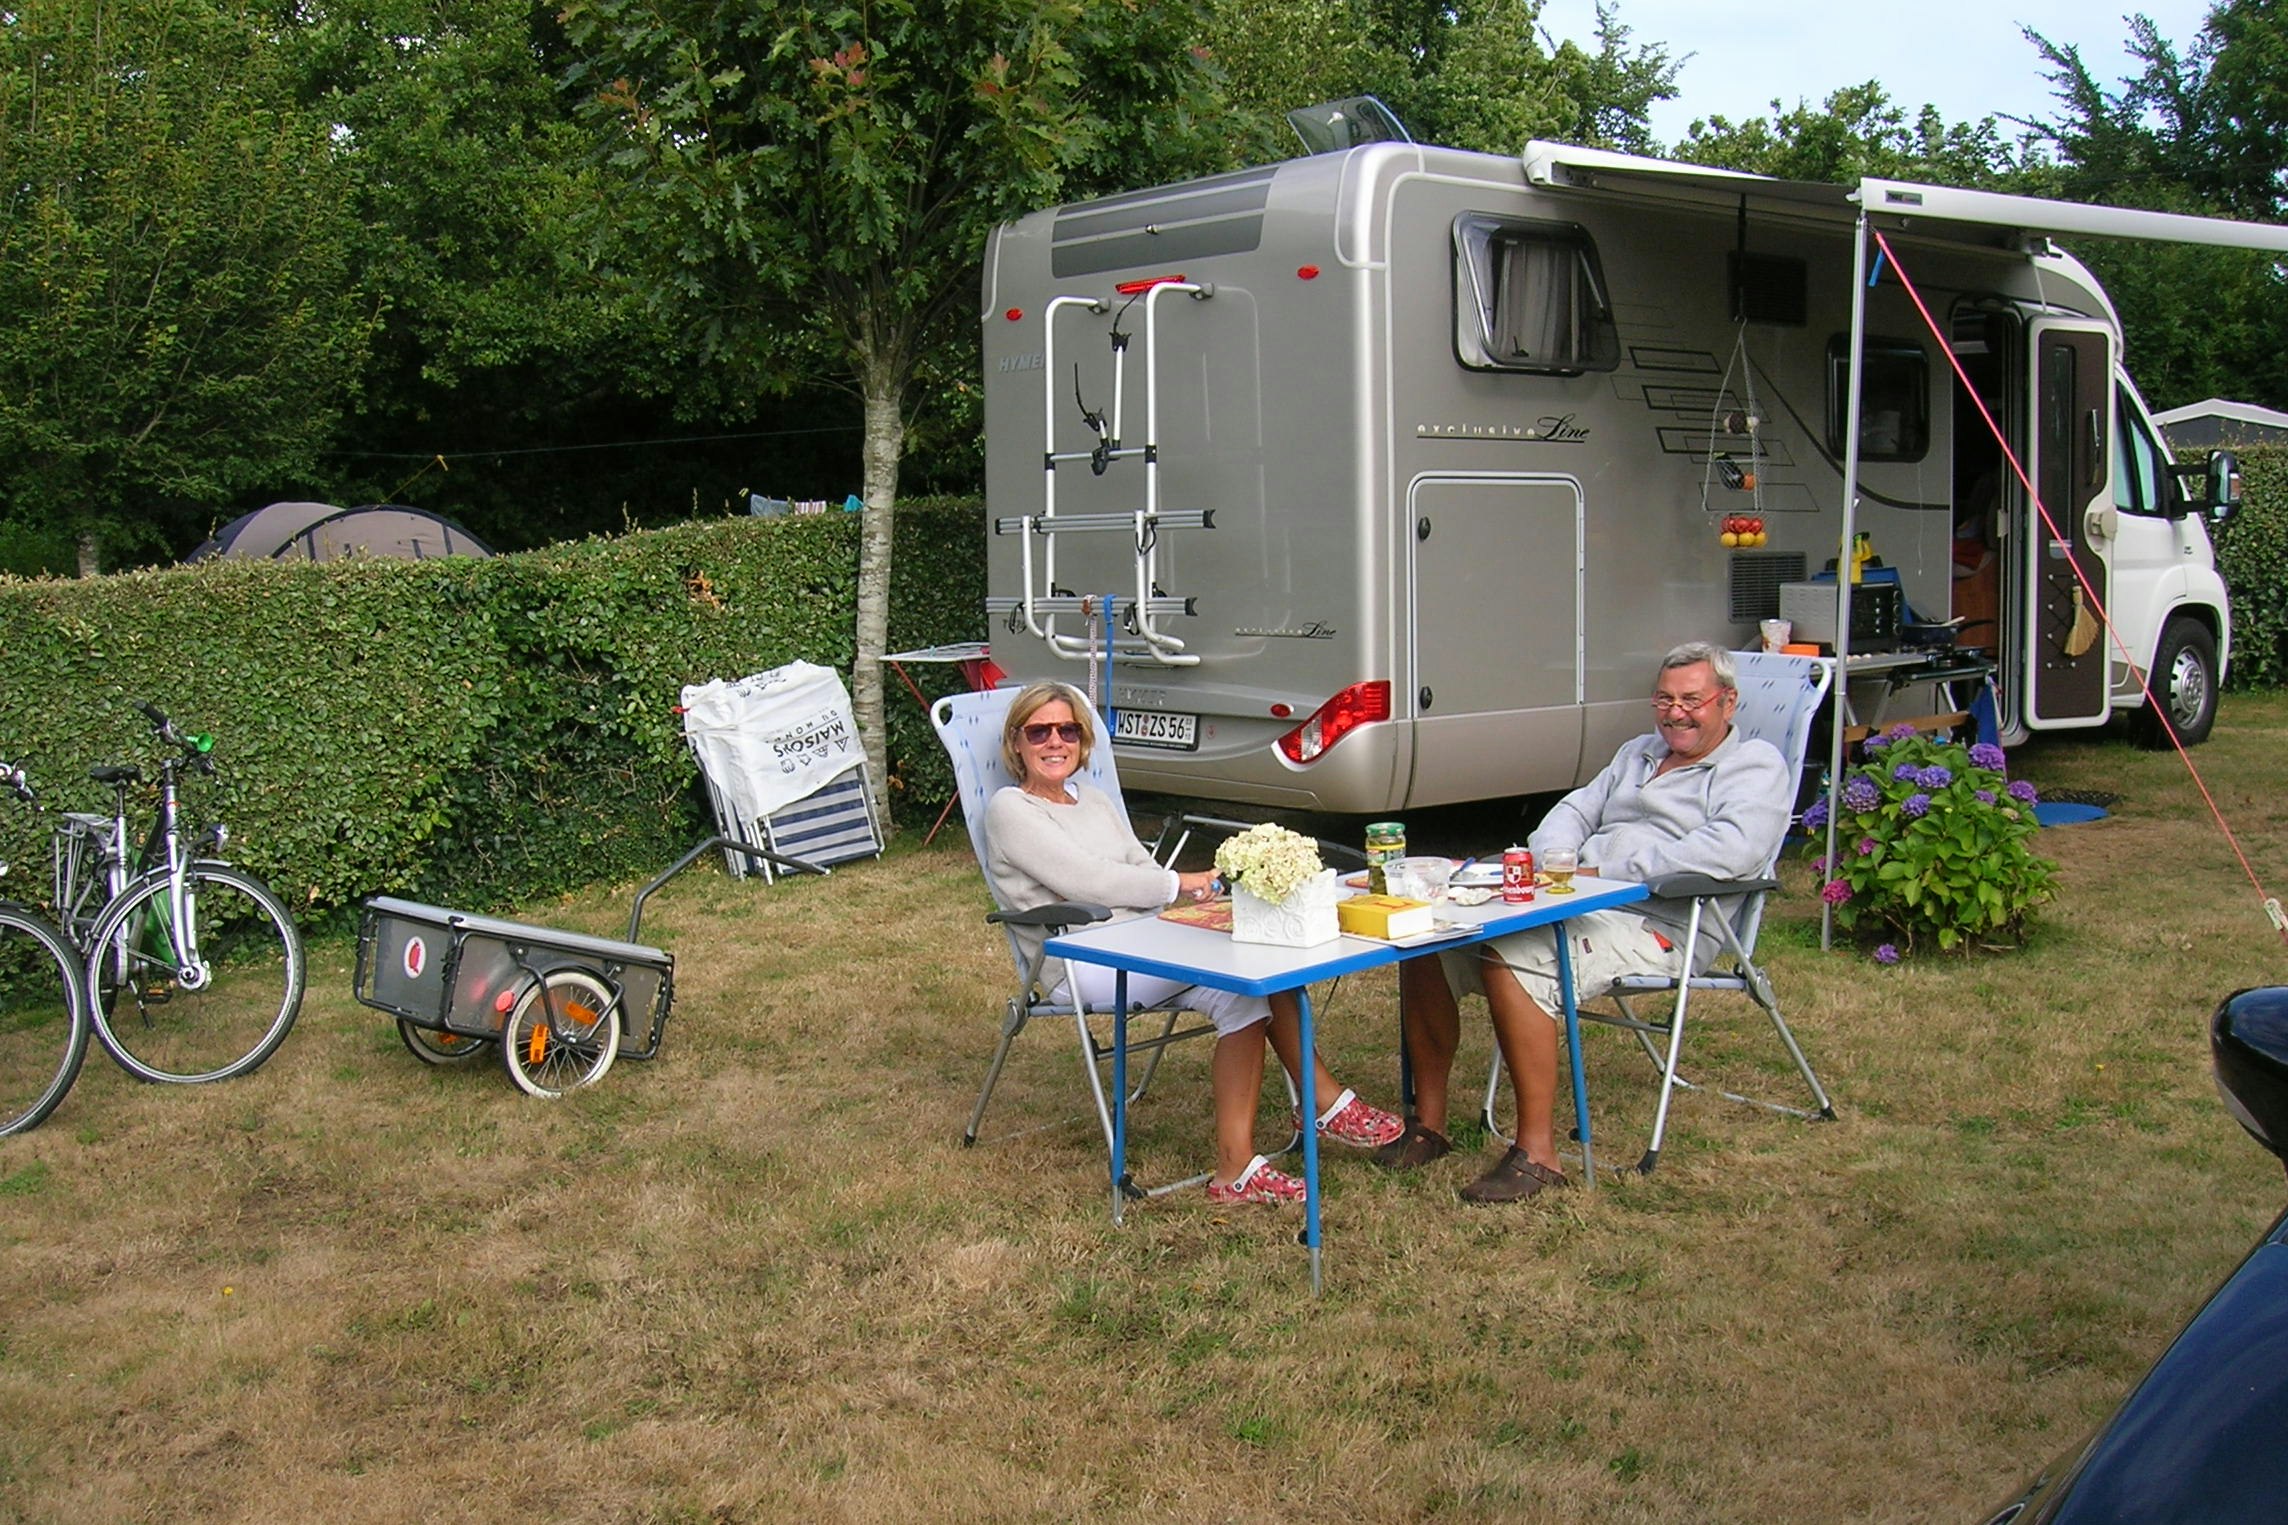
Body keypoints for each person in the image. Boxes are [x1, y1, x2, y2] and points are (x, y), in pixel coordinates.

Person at [1387, 642, 1791, 1203]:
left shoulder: (1755, 767)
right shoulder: (1639, 753)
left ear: (1728, 702)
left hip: (1664, 921)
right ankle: (1428, 1125)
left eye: (1692, 700)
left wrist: (1609, 871)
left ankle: (1538, 1154)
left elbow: (1731, 853)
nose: (1675, 713)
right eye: (1664, 698)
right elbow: (1574, 811)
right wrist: (1560, 859)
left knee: (1514, 954)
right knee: (1429, 943)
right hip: (1580, 897)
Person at [984, 681, 1403, 1205]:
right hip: (1080, 958)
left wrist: (1166, 893)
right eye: (1038, 731)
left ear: (1083, 740)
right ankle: (1325, 1104)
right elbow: (1086, 882)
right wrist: (1179, 885)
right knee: (1248, 962)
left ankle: (1236, 1170)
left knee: (1250, 990)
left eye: (1067, 730)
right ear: (1015, 743)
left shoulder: (1090, 799)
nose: (1054, 742)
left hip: (1145, 940)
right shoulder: (1010, 808)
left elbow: (1137, 864)